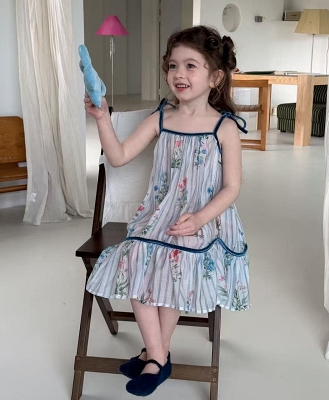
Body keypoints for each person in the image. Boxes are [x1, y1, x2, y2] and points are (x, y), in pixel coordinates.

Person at [84, 25, 250, 397]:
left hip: (203, 219)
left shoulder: (224, 128)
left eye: (191, 65)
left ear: (215, 77)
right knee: (136, 257)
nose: (179, 73)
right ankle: (158, 354)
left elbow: (232, 187)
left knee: (175, 259)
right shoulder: (161, 118)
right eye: (173, 65)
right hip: (158, 215)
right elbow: (118, 156)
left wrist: (200, 218)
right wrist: (102, 118)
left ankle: (153, 356)